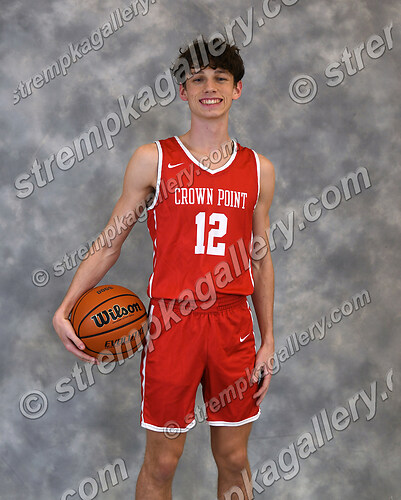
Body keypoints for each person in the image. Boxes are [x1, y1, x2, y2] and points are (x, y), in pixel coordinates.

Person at [53, 35, 275, 500]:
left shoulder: (259, 169)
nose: (209, 87)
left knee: (235, 459)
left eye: (220, 78)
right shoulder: (153, 159)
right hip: (172, 322)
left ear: (237, 89)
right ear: (183, 91)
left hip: (233, 324)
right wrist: (66, 306)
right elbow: (110, 242)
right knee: (162, 462)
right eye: (198, 79)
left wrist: (268, 337)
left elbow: (260, 256)